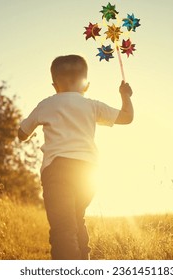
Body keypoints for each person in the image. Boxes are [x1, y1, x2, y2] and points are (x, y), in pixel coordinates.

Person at [18, 54, 134, 260]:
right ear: (86, 85)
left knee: (63, 228)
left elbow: (21, 133)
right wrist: (125, 95)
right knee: (77, 220)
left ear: (54, 85)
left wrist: (30, 133)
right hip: (88, 173)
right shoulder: (92, 105)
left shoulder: (45, 104)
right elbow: (127, 117)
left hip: (58, 171)